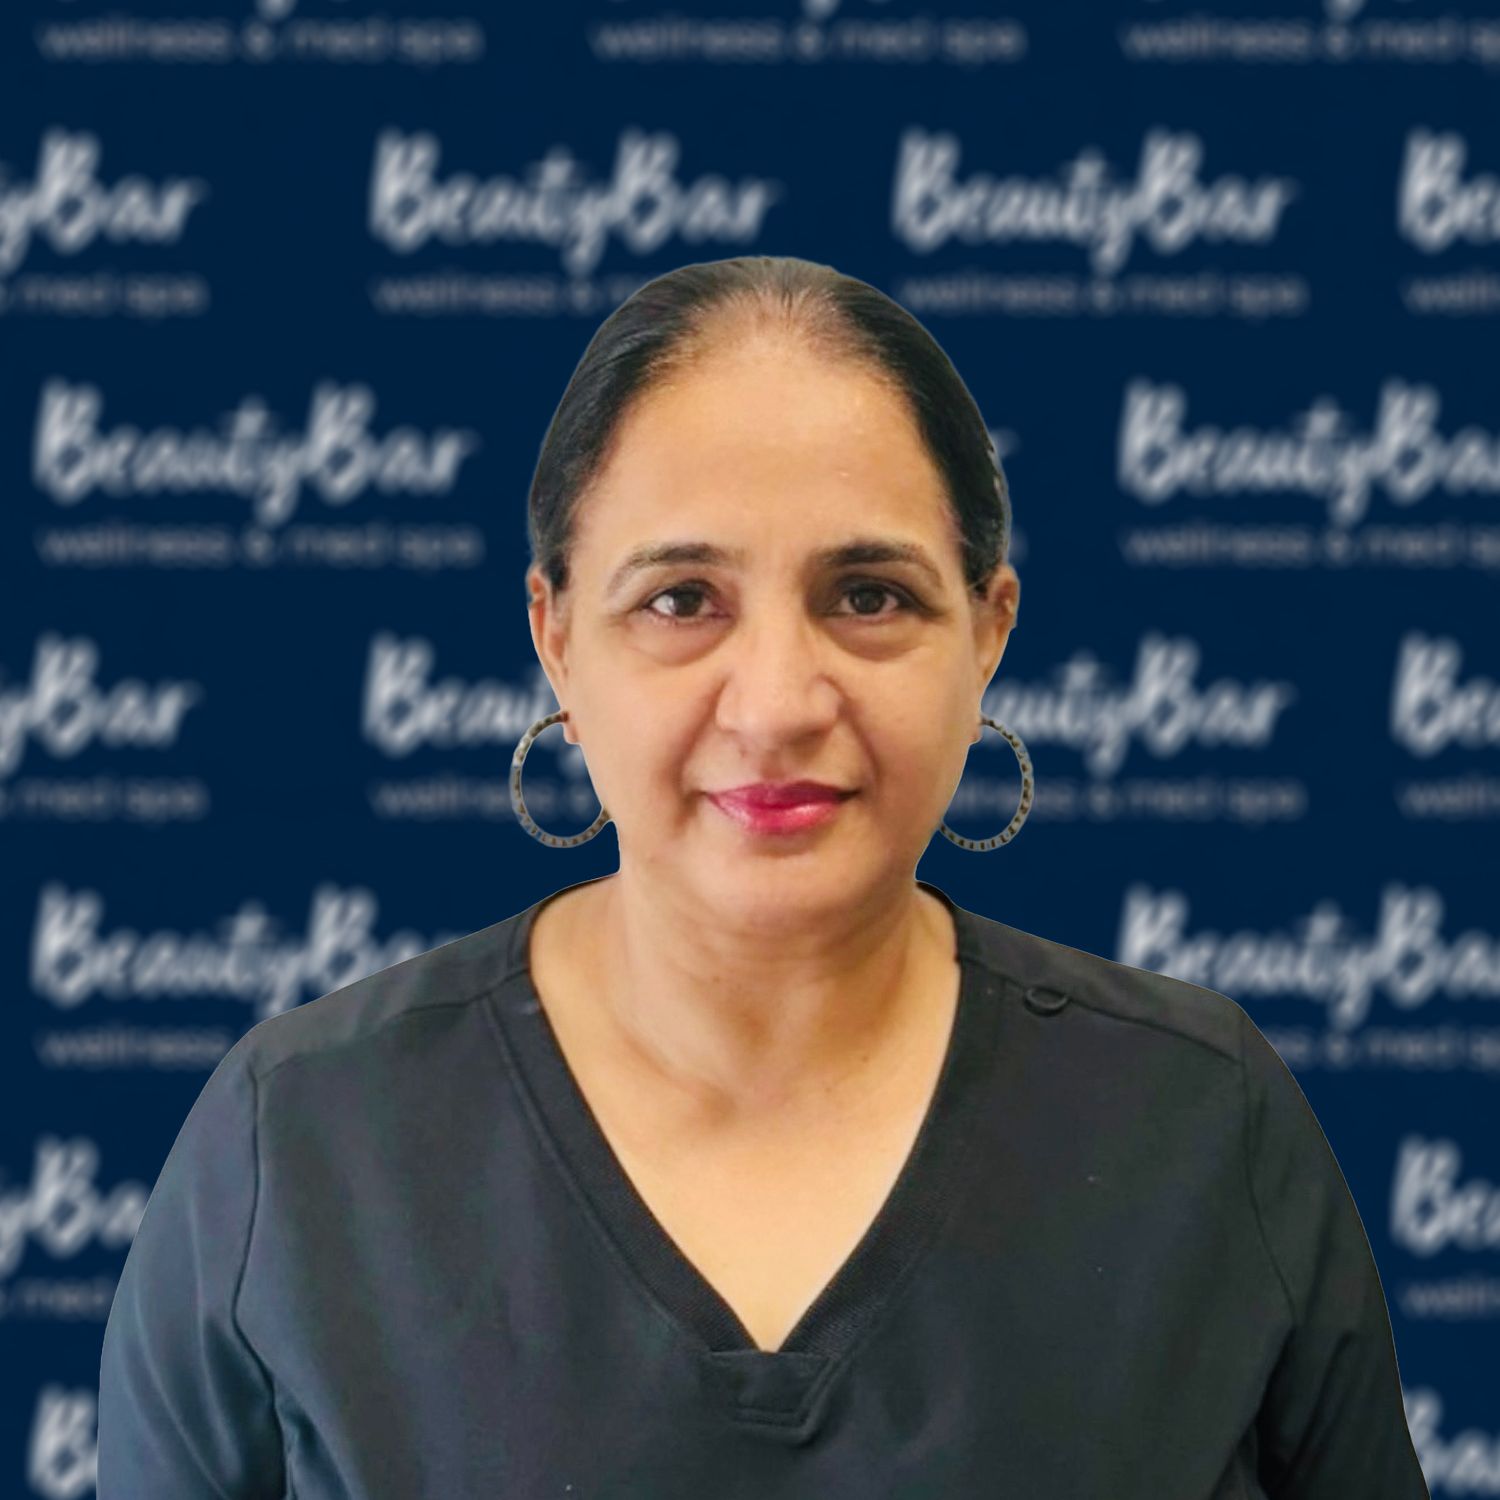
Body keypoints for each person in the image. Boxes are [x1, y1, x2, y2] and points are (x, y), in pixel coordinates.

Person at [96, 255, 1430, 1498]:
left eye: (869, 596)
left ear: (989, 634)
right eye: (681, 601)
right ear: (556, 640)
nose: (781, 701)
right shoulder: (295, 1146)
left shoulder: (1206, 1125)